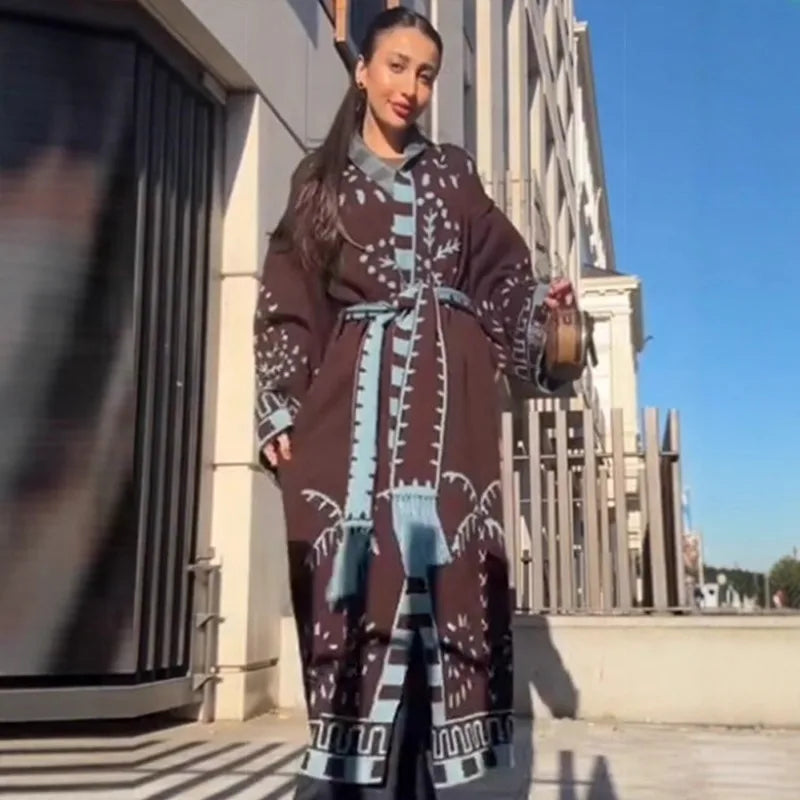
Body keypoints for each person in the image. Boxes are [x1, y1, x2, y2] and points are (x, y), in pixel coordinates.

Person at [253, 8, 576, 798]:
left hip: (448, 429)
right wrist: (280, 407)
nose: (412, 87)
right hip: (352, 433)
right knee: (355, 614)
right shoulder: (320, 182)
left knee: (440, 622)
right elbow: (288, 300)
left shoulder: (455, 177)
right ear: (362, 70)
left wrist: (544, 314)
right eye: (397, 66)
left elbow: (502, 276)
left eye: (426, 74)